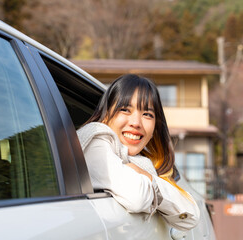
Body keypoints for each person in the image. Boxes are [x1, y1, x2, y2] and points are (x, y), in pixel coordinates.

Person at [77, 74, 200, 231]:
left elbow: (192, 216)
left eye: (147, 114)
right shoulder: (94, 141)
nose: (136, 123)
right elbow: (137, 198)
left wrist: (148, 177)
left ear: (156, 125)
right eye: (125, 110)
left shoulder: (142, 162)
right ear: (106, 114)